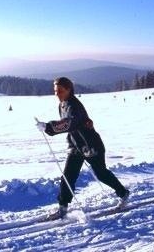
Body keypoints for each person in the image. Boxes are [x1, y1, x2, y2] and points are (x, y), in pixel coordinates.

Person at [36, 77, 129, 218]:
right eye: (55, 91)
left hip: (91, 145)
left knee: (101, 173)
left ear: (69, 90)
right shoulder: (62, 104)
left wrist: (49, 126)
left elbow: (69, 123)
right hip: (76, 146)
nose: (57, 94)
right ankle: (62, 207)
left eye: (60, 90)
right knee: (68, 176)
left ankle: (123, 193)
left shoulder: (74, 105)